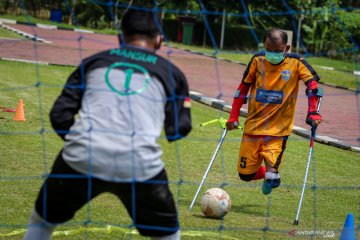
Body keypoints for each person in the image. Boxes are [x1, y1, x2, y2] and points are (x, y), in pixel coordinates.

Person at [24, 9, 191, 240]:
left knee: (41, 222)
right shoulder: (172, 73)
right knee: (168, 235)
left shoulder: (94, 62)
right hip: (139, 164)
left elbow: (59, 116)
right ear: (160, 40)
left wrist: (85, 142)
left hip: (82, 157)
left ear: (120, 37)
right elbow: (179, 129)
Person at [226, 28, 322, 195]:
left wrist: (312, 112)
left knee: (272, 178)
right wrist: (233, 116)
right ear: (264, 46)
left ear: (287, 48)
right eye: (268, 50)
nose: (272, 54)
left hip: (278, 131)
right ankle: (264, 175)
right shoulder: (257, 60)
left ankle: (271, 177)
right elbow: (242, 88)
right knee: (245, 176)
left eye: (277, 51)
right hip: (253, 128)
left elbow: (313, 86)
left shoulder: (297, 63)